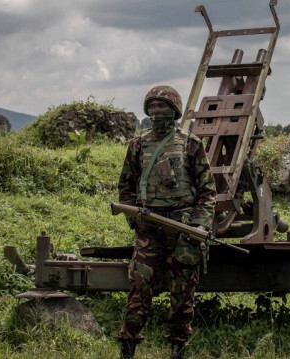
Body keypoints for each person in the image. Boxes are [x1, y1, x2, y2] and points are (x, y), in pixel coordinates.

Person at [116, 85, 216, 359]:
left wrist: (199, 226)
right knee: (139, 285)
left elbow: (207, 191)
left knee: (182, 291)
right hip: (150, 229)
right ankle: (128, 345)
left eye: (162, 105)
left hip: (183, 230)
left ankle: (178, 348)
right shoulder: (137, 145)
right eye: (152, 105)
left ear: (174, 110)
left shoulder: (190, 144)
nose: (156, 110)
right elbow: (126, 187)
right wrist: (135, 218)